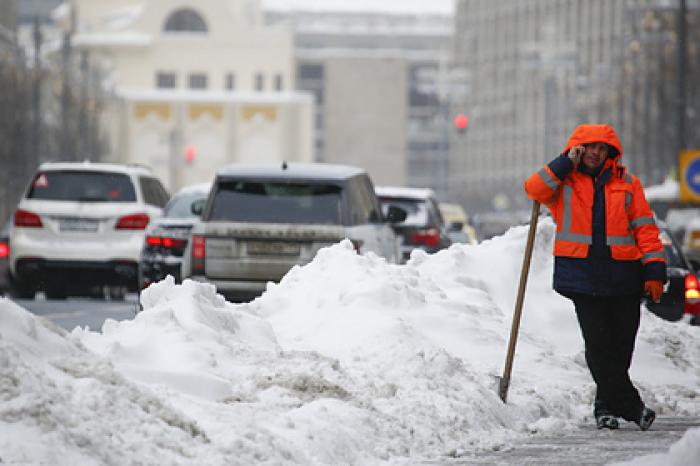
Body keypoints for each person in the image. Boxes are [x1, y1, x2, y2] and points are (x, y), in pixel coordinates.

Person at [524, 124, 667, 431]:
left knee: (621, 347)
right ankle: (632, 407)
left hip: (625, 277)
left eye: (601, 148)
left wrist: (655, 269)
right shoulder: (564, 182)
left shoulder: (628, 184)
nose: (595, 153)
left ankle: (604, 407)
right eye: (588, 147)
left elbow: (645, 229)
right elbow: (534, 189)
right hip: (583, 278)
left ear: (610, 153)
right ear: (579, 149)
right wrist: (565, 162)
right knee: (599, 345)